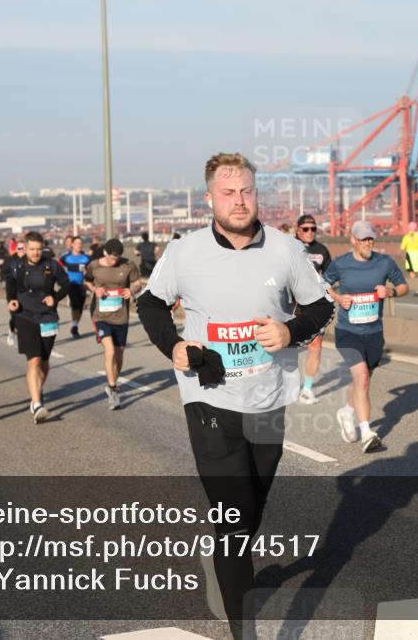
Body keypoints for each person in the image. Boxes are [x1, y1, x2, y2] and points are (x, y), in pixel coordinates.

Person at [137, 153, 333, 639]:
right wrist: (175, 345)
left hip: (268, 399)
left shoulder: (287, 251)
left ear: (256, 194)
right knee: (233, 519)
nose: (239, 200)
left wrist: (292, 332)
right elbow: (149, 302)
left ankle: (226, 560)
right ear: (210, 198)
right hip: (209, 398)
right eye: (228, 193)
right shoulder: (185, 251)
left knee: (251, 514)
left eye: (246, 191)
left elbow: (322, 305)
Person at [324, 220, 409, 453]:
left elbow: (404, 287)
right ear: (353, 240)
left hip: (374, 333)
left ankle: (347, 412)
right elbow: (321, 285)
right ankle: (367, 433)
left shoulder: (384, 263)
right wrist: (338, 298)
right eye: (363, 239)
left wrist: (390, 292)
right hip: (347, 332)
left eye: (370, 238)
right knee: (361, 377)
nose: (367, 243)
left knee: (364, 379)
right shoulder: (341, 264)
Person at [5, 231, 70, 423]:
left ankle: (37, 390)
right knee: (33, 360)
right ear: (25, 248)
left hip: (48, 316)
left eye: (38, 249)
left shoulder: (51, 265)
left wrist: (55, 298)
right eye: (32, 249)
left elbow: (67, 284)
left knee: (44, 362)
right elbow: (10, 282)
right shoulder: (17, 265)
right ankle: (36, 404)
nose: (35, 253)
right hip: (25, 315)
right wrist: (11, 300)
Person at [84, 238, 145, 409]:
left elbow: (137, 283)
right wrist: (95, 289)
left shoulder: (128, 265)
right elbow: (87, 281)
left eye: (117, 258)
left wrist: (131, 290)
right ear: (105, 252)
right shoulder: (94, 266)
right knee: (109, 351)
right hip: (100, 316)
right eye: (111, 258)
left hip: (121, 316)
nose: (114, 261)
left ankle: (113, 382)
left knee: (119, 355)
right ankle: (112, 389)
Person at [295, 214, 332, 404]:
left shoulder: (322, 250)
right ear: (298, 229)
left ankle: (307, 389)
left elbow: (331, 275)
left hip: (315, 305)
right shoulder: (289, 247)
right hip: (291, 305)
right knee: (285, 347)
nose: (310, 232)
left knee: (315, 346)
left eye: (313, 229)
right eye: (306, 229)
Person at [59, 235, 91, 338]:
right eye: (76, 243)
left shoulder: (86, 258)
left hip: (82, 284)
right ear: (72, 244)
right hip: (71, 284)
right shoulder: (66, 257)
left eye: (80, 243)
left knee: (80, 306)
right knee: (75, 305)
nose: (79, 245)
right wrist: (62, 280)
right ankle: (74, 326)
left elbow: (92, 270)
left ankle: (75, 325)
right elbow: (57, 267)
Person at [3, 241, 25, 346]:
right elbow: (3, 273)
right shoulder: (10, 260)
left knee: (25, 315)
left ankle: (25, 337)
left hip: (25, 292)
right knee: (15, 315)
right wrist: (9, 279)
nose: (22, 250)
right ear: (16, 249)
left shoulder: (28, 260)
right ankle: (12, 331)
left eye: (23, 248)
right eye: (20, 248)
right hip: (12, 292)